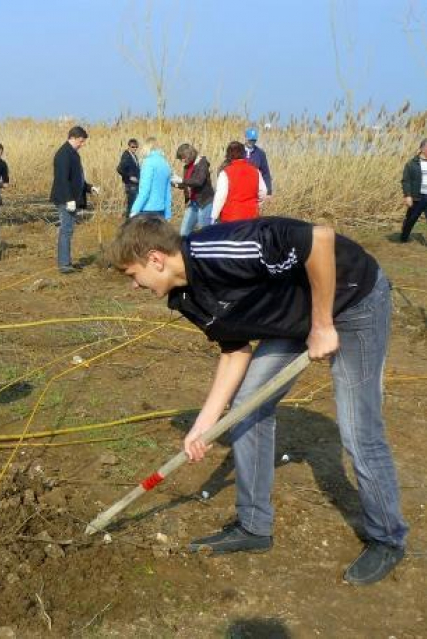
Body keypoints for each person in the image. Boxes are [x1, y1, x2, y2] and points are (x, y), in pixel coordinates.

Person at [107, 214, 408, 585]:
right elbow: (235, 352)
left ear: (155, 259)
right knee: (246, 408)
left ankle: (387, 537)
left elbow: (320, 239)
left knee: (358, 428)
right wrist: (204, 426)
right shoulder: (184, 298)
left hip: (351, 297)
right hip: (293, 318)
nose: (134, 286)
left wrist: (323, 324)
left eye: (131, 274)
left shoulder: (220, 249)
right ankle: (253, 526)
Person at [50, 125, 99, 274]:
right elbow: (62, 179)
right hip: (66, 199)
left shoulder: (73, 153)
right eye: (81, 141)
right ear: (72, 138)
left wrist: (89, 188)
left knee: (68, 230)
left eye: (83, 141)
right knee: (66, 230)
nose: (82, 144)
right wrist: (69, 199)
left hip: (71, 198)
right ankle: (64, 265)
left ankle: (67, 262)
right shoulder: (63, 154)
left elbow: (77, 178)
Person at [211, 141, 267, 223]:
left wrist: (214, 216)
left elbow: (220, 197)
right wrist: (256, 204)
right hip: (252, 217)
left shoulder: (225, 173)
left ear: (228, 154)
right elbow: (263, 191)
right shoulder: (255, 171)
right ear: (243, 153)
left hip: (231, 218)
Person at [173, 143, 214, 236]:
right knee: (183, 233)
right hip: (193, 203)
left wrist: (181, 180)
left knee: (205, 233)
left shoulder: (202, 163)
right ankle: (185, 250)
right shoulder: (187, 166)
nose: (182, 160)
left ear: (189, 154)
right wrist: (175, 183)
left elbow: (198, 181)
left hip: (205, 203)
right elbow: (188, 184)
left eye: (183, 157)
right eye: (180, 159)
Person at [130, 137, 172, 218]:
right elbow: (168, 193)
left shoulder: (148, 163)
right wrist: (168, 215)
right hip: (161, 211)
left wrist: (135, 210)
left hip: (147, 211)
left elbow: (145, 190)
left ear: (146, 147)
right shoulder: (165, 163)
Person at [400, 137, 427, 243]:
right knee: (411, 220)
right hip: (417, 197)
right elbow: (406, 180)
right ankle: (404, 237)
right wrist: (408, 195)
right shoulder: (411, 164)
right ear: (422, 148)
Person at [245, 127, 272, 195]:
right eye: (250, 140)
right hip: (240, 188)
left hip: (255, 188)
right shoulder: (238, 151)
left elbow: (266, 173)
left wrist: (268, 191)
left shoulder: (260, 153)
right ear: (245, 138)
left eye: (254, 140)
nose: (252, 142)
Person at [116, 138, 140, 217]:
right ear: (129, 146)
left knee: (133, 205)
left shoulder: (134, 156)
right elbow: (119, 169)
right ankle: (128, 223)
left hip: (135, 184)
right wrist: (129, 177)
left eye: (136, 147)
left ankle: (131, 222)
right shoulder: (126, 156)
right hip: (130, 185)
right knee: (131, 206)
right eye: (133, 147)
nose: (135, 148)